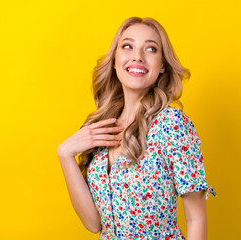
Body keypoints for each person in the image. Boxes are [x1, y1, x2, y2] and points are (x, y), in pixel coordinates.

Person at [57, 16, 217, 240]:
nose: (137, 57)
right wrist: (65, 154)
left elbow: (195, 218)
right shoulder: (100, 129)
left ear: (162, 65)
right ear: (114, 60)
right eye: (127, 46)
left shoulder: (172, 125)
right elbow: (94, 224)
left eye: (151, 49)